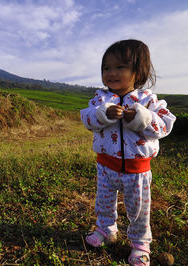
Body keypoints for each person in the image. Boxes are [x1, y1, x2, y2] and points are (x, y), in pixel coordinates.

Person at [80, 39, 176, 265]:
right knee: (103, 203)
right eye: (106, 68)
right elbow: (86, 118)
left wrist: (143, 118)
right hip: (105, 166)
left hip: (137, 170)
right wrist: (103, 114)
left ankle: (140, 244)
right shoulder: (101, 99)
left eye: (120, 67)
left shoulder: (148, 100)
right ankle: (106, 231)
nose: (111, 73)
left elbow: (165, 125)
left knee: (139, 209)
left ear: (138, 71)